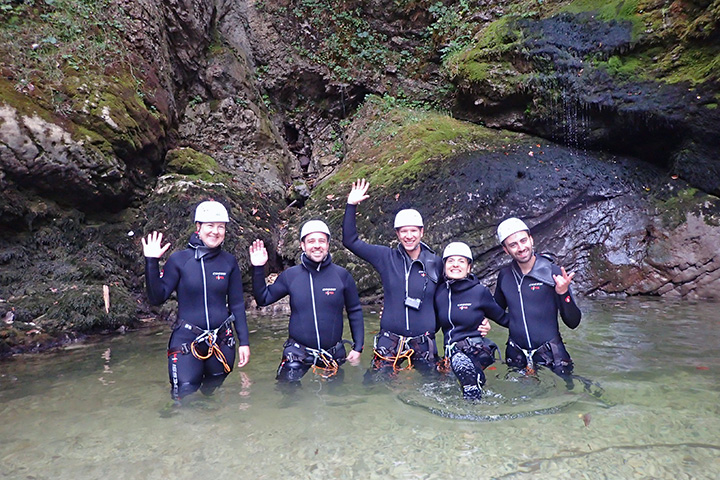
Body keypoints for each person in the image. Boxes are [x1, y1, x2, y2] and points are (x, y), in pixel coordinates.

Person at [142, 200, 250, 401]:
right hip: (186, 340)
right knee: (184, 396)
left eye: (220, 227)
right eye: (210, 226)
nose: (215, 232)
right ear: (198, 227)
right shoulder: (180, 260)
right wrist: (151, 262)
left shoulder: (229, 262)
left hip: (222, 340)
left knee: (212, 393)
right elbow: (157, 297)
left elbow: (236, 304)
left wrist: (244, 342)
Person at [343, 178, 442, 375]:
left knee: (433, 387)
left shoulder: (437, 263)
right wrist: (351, 205)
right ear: (397, 234)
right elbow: (350, 240)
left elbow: (453, 297)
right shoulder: (386, 257)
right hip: (389, 340)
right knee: (375, 387)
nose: (409, 235)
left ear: (422, 232)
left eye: (413, 230)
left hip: (424, 340)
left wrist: (478, 320)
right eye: (403, 231)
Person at [250, 220, 364, 384]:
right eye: (311, 241)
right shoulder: (291, 276)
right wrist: (258, 268)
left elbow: (354, 311)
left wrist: (358, 346)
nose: (317, 245)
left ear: (328, 244)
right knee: (287, 393)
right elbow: (263, 299)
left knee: (337, 399)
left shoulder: (342, 275)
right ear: (302, 245)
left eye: (321, 241)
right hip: (298, 351)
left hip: (333, 351)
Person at [494, 217, 581, 378]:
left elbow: (573, 322)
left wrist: (564, 293)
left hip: (551, 355)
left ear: (531, 239)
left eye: (523, 240)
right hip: (516, 356)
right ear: (506, 249)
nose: (521, 248)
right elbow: (495, 311)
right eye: (513, 245)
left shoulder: (553, 272)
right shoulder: (505, 276)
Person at [434, 242, 506, 399]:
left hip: (474, 350)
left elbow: (504, 318)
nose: (455, 265)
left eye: (461, 261)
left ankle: (475, 384)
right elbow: (432, 324)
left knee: (467, 375)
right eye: (451, 261)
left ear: (469, 267)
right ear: (444, 265)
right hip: (450, 355)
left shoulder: (479, 291)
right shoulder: (439, 293)